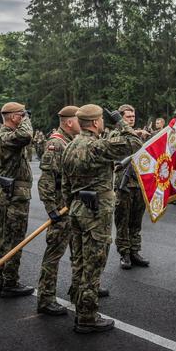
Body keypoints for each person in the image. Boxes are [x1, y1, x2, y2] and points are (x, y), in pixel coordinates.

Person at [61, 104, 139, 333]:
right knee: (93, 265)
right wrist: (121, 122)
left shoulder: (70, 145)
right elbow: (135, 143)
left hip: (76, 208)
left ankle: (78, 302)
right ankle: (87, 316)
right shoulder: (97, 146)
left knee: (79, 261)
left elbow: (65, 184)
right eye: (102, 120)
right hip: (96, 212)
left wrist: (72, 205)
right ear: (96, 123)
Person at [36, 106, 81, 316]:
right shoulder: (56, 144)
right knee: (54, 254)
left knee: (78, 253)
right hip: (61, 211)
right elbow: (46, 181)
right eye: (80, 120)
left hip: (73, 208)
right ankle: (45, 299)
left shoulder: (72, 142)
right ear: (69, 122)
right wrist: (51, 209)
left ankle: (78, 290)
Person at [0, 102, 35, 298]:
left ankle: (1, 280)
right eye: (22, 114)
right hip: (12, 197)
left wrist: (23, 116)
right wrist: (26, 118)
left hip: (1, 194)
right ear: (14, 117)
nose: (24, 117)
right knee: (14, 240)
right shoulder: (7, 137)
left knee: (1, 239)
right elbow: (26, 135)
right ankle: (9, 282)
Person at [112, 104, 151, 270]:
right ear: (121, 119)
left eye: (133, 117)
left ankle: (134, 251)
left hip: (139, 184)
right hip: (124, 184)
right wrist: (136, 135)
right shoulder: (115, 134)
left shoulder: (140, 135)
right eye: (128, 117)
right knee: (123, 221)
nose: (131, 119)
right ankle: (124, 253)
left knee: (136, 221)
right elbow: (125, 146)